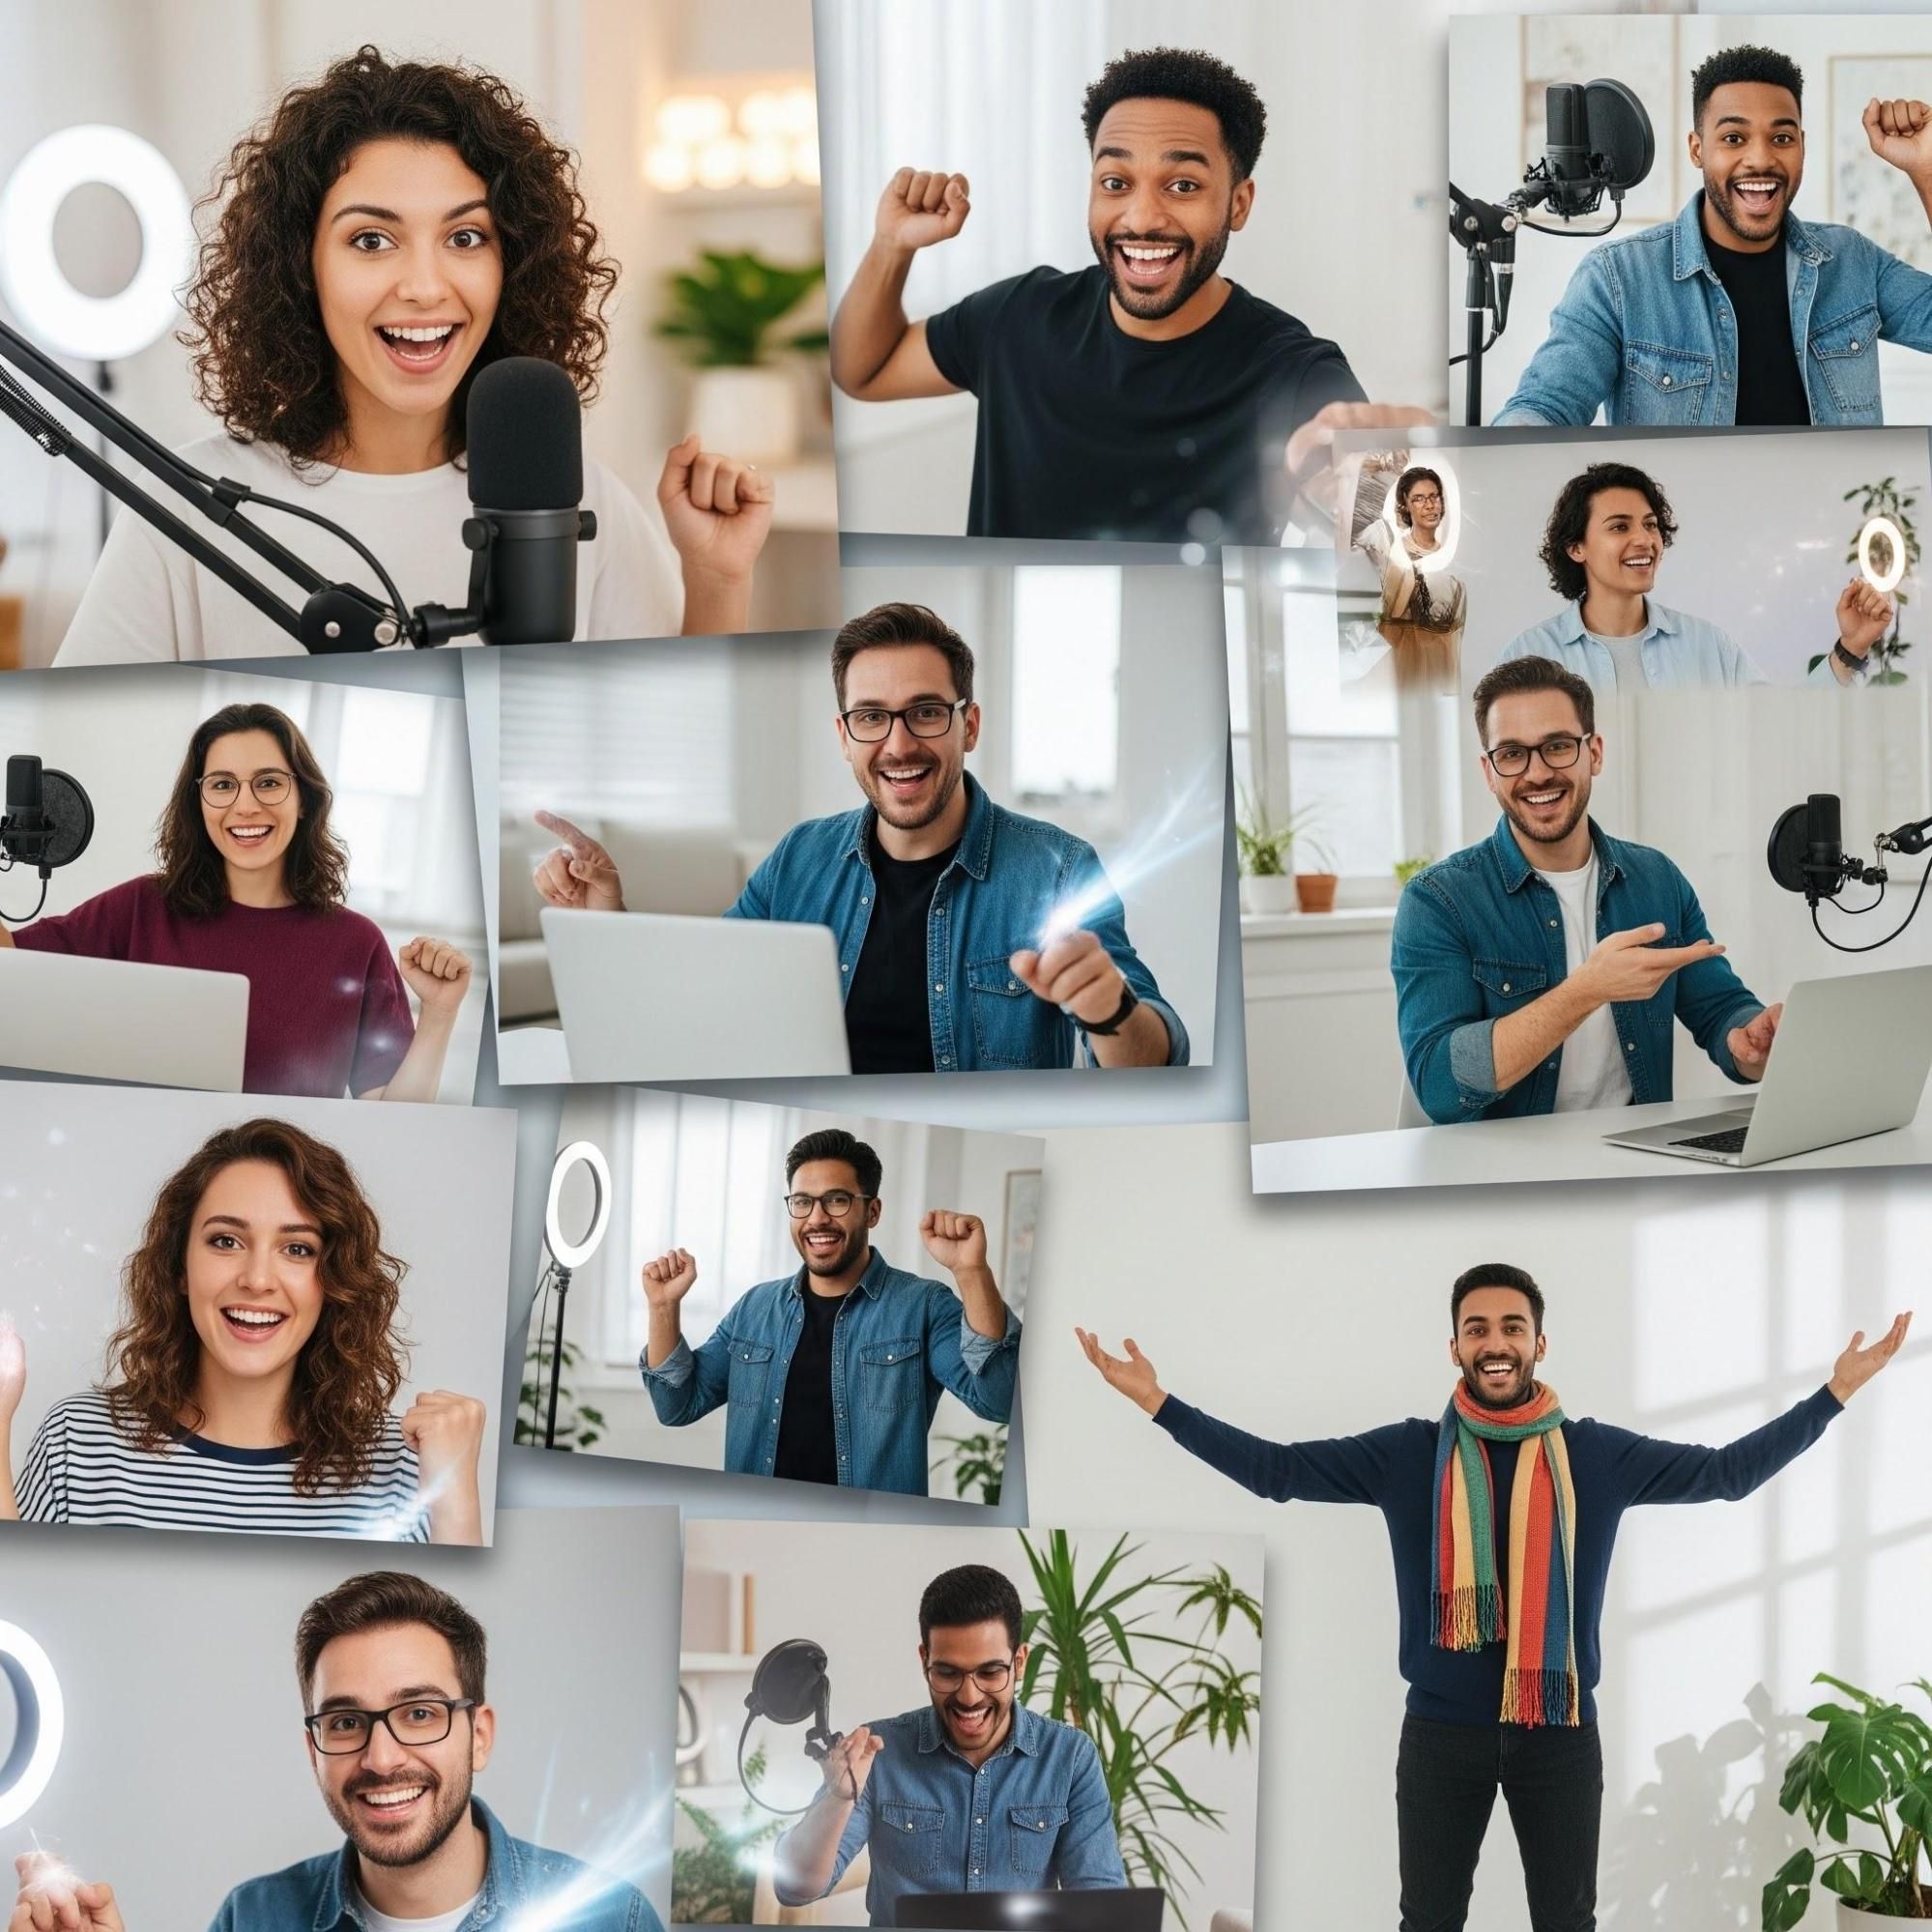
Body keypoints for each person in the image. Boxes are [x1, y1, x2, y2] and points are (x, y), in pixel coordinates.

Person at [1076, 1270, 1912, 1932]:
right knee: (1428, 1921)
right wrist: (1159, 1402)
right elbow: (1278, 1471)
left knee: (1566, 1921)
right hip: (1441, 1736)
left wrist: (1831, 1395)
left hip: (1559, 1735)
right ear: (1454, 1347)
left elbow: (1725, 1474)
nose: (1495, 1341)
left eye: (1511, 1325)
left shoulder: (1596, 1456)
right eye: (1477, 1327)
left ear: (1538, 1342)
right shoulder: (1406, 1455)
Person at [53, 45, 772, 666]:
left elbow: (663, 724)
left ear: (512, 263)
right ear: (302, 269)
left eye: (465, 238)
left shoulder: (572, 497)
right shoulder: (191, 509)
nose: (426, 287)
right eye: (371, 240)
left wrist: (716, 578)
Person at [532, 601, 1189, 1073]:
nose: (898, 744)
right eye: (871, 717)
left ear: (970, 726)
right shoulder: (797, 859)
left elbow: (1157, 1055)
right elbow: (698, 1000)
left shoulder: (1057, 868)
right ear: (844, 736)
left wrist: (1110, 1013)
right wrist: (608, 917)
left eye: (926, 713)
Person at [828, 45, 1428, 543]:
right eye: (1115, 182)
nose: (1141, 217)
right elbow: (862, 370)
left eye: (1183, 184)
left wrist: (1391, 485)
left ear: (1238, 204)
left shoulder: (1296, 373)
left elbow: (1389, 553)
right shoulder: (1017, 318)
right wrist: (890, 246)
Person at [11, 1570, 664, 1929]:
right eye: (347, 1721)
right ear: (312, 1748)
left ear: (480, 1734)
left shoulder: (613, 1919)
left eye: (418, 1712)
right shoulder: (253, 1918)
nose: (381, 1759)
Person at [0, 1118, 486, 1543]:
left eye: (297, 1249)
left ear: (333, 1279)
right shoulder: (78, 1440)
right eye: (226, 1241)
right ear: (180, 1268)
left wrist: (456, 1494)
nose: (256, 1280)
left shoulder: (402, 1465)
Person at [3, 702, 470, 1099]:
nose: (245, 806)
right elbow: (12, 965)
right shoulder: (140, 908)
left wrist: (439, 1014)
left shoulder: (356, 942)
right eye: (223, 785)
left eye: (268, 782)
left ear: (303, 799)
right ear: (200, 802)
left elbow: (394, 1113)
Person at [1391, 655, 1780, 1124]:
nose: (1536, 773)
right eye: (1512, 753)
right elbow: (1438, 1085)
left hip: (1637, 1166)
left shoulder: (1657, 879)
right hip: (1504, 1178)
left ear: (1593, 753)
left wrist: (1748, 1041)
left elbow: (1721, 1009)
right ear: (1489, 771)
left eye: (1557, 746)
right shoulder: (1437, 901)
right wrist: (1588, 989)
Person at [1496, 45, 1932, 426]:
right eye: (1734, 137)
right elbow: (1545, 405)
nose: (1760, 159)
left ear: (1802, 145)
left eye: (1781, 137)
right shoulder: (1617, 279)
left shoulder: (1852, 260)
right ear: (1697, 148)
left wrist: (1927, 168)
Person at [638, 1128, 1018, 1494]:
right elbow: (677, 1406)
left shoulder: (923, 1306)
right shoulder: (754, 1308)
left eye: (836, 1200)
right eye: (802, 1201)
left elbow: (1000, 1400)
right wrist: (662, 1306)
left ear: (872, 1212)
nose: (816, 1218)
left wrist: (971, 1272)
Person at [770, 1563, 1127, 1923]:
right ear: (925, 1660)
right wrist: (837, 1798)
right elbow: (795, 1888)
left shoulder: (1070, 1757)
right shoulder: (877, 1752)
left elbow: (1105, 1909)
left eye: (990, 1672)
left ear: (1019, 1662)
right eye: (947, 1672)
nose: (969, 1697)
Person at [1490, 463, 1891, 690]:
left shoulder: (1709, 646)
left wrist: (1850, 648)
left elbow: (1776, 729)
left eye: (1650, 525)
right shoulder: (1528, 657)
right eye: (1619, 527)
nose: (1644, 540)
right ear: (1576, 548)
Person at [1350, 459, 1466, 692]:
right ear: (1405, 506)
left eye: (1434, 497)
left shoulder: (1453, 579)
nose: (1430, 505)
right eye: (1419, 498)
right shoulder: (1380, 546)